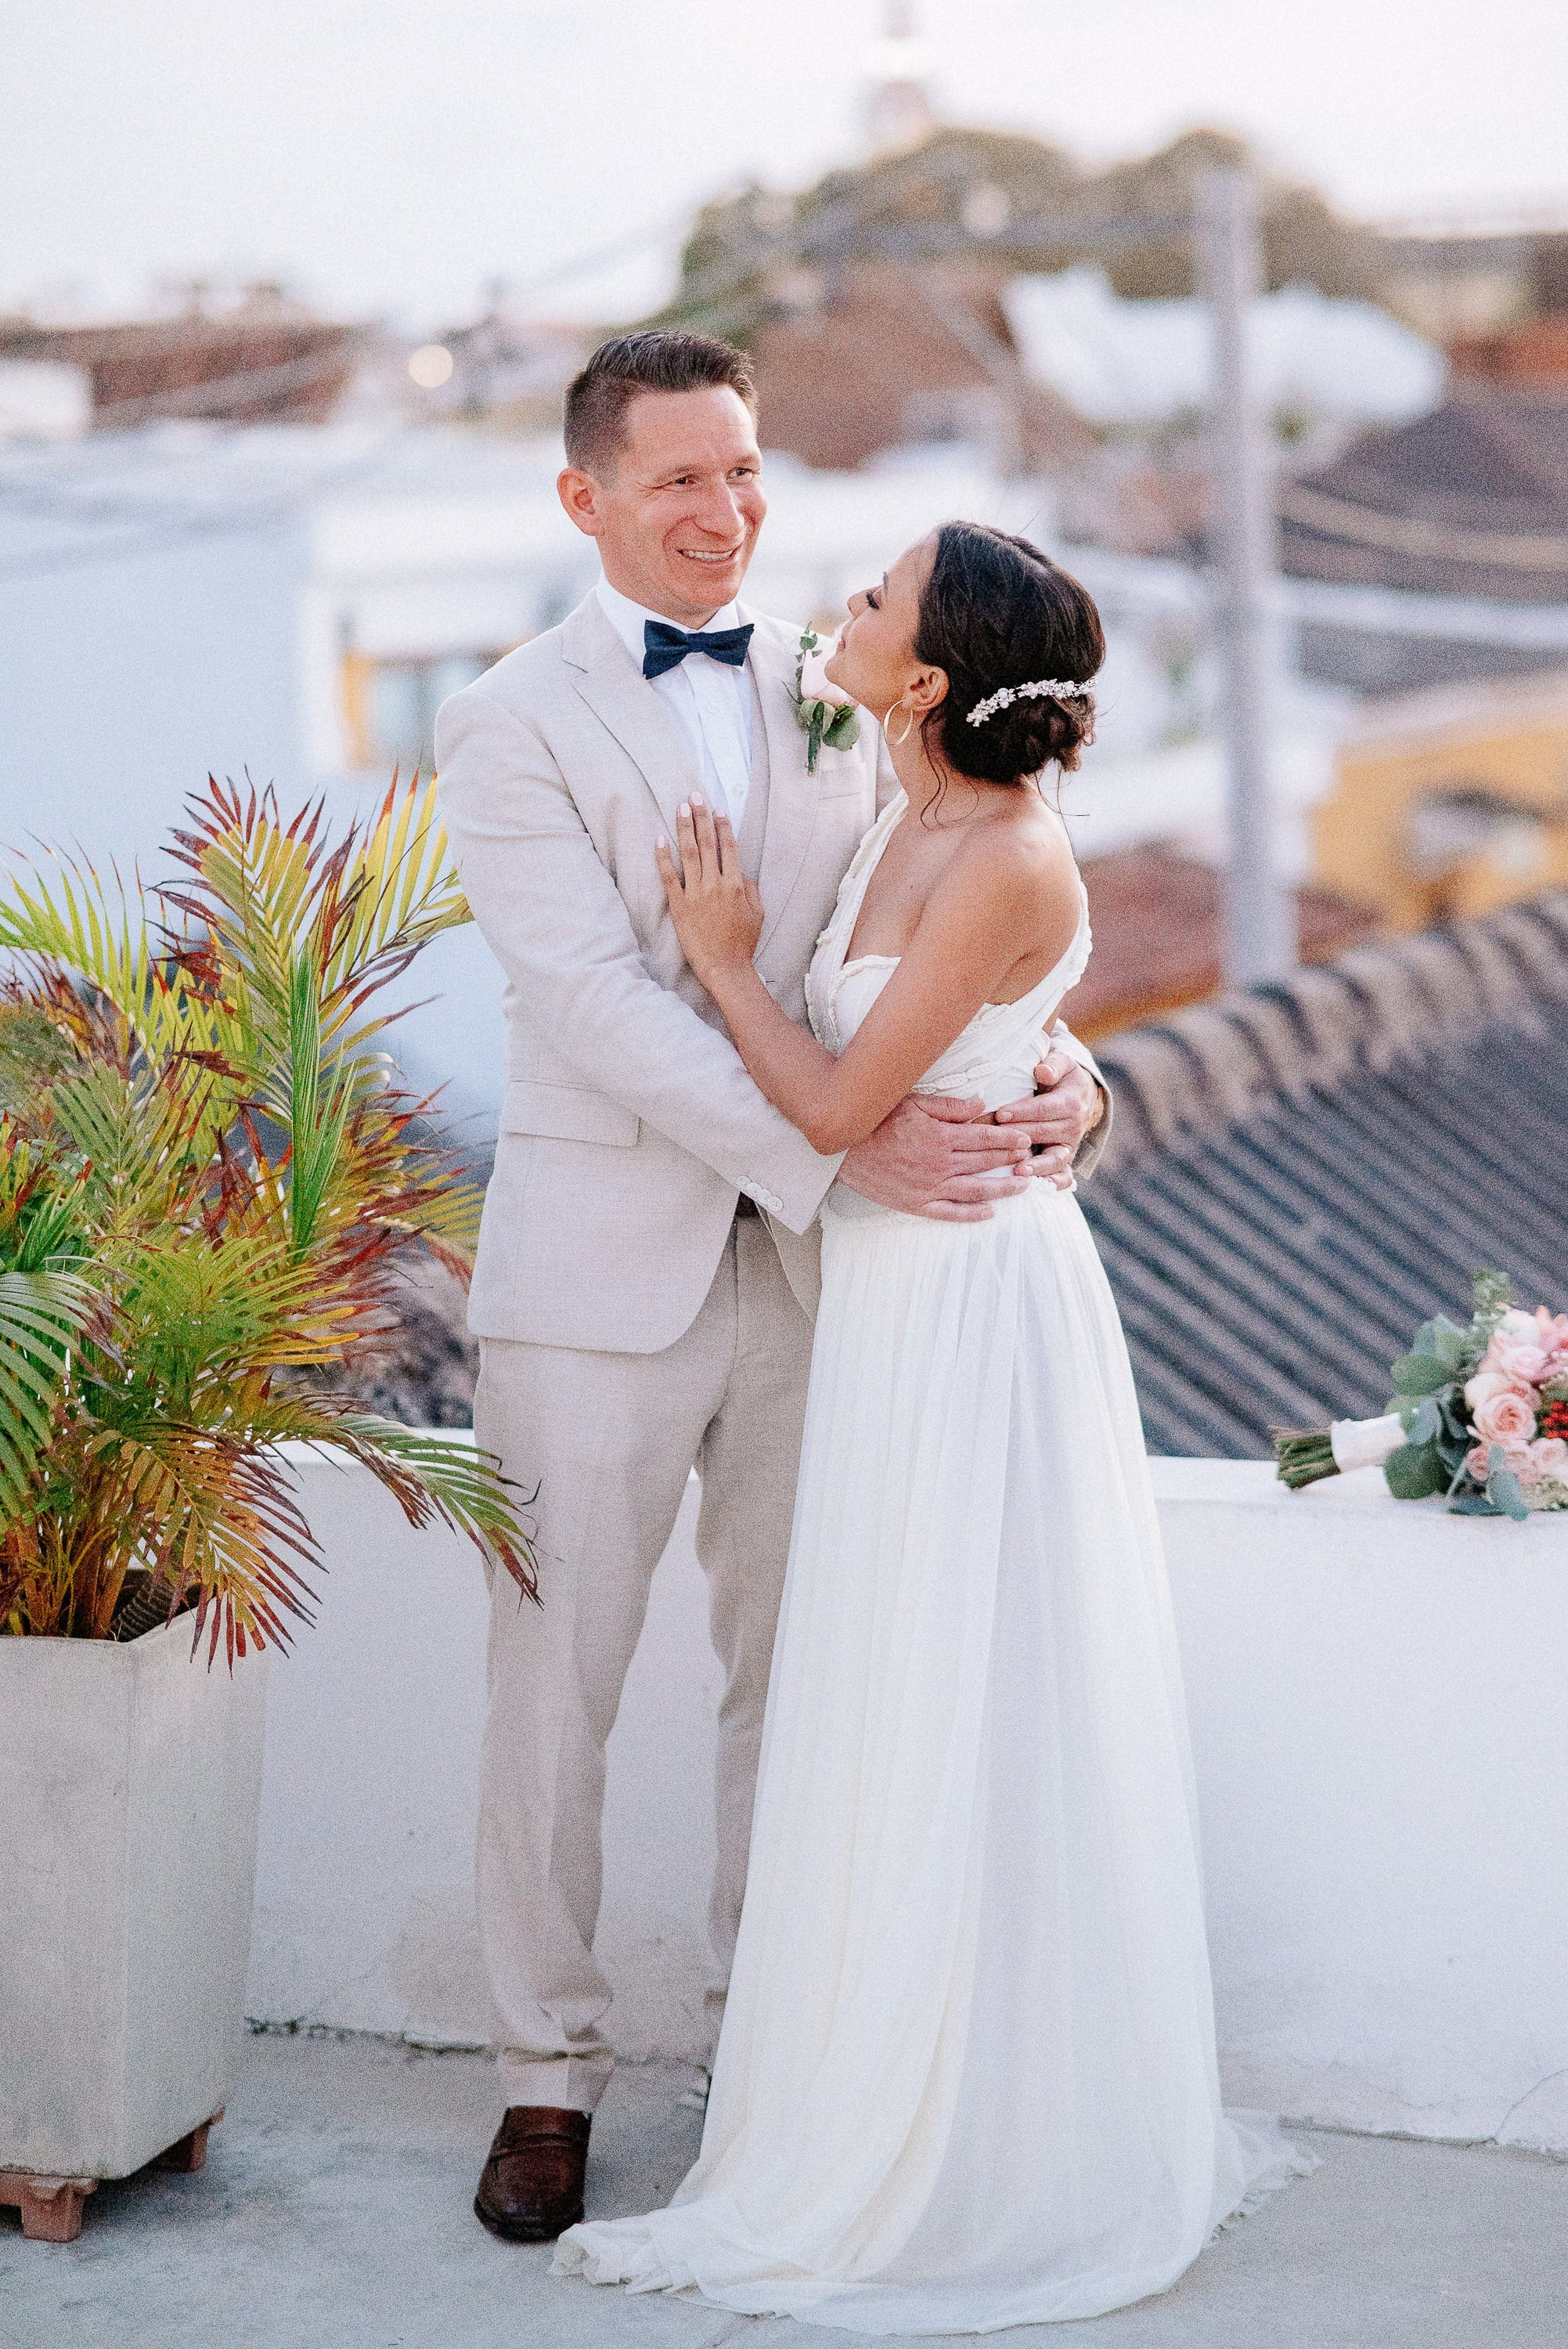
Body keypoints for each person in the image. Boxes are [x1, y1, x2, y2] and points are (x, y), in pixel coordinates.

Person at [553, 521, 1313, 2330]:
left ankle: (983, 2132)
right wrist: (1061, 1068)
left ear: (931, 676)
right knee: (892, 1690)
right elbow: (985, 1038)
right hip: (886, 1304)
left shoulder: (1005, 850)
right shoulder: (906, 797)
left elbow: (834, 1103)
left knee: (971, 1691)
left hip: (968, 1307)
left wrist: (725, 956)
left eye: (880, 598)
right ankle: (889, 2084)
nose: (844, 602)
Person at [433, 330, 1107, 2245]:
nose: (725, 512)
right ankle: (545, 2077)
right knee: (553, 1695)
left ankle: (772, 2059)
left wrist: (1069, 1082)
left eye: (743, 471)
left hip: (836, 1293)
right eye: (679, 480)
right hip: (600, 1278)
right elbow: (597, 1005)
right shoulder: (506, 721)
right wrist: (839, 1144)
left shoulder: (841, 683)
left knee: (801, 1692)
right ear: (586, 498)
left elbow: (959, 925)